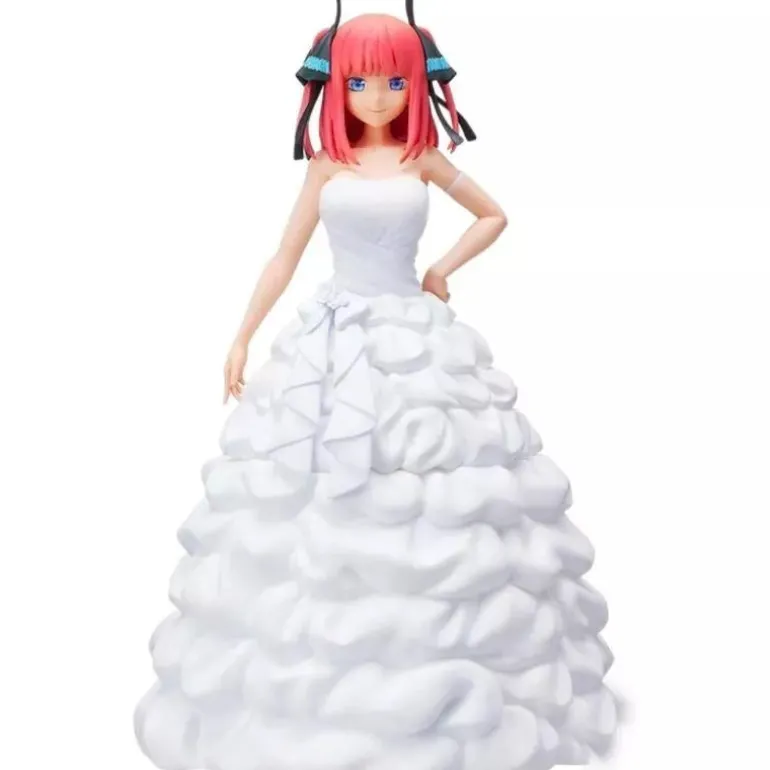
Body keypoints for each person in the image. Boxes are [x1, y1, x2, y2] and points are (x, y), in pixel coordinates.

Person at [134, 6, 621, 769]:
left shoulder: (423, 156)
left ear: (415, 82)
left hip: (413, 332)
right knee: (312, 489)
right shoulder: (327, 163)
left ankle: (445, 675)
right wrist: (242, 334)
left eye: (394, 80)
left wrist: (440, 270)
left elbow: (493, 215)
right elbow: (285, 255)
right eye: (359, 81)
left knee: (440, 484)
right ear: (336, 85)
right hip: (334, 340)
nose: (377, 95)